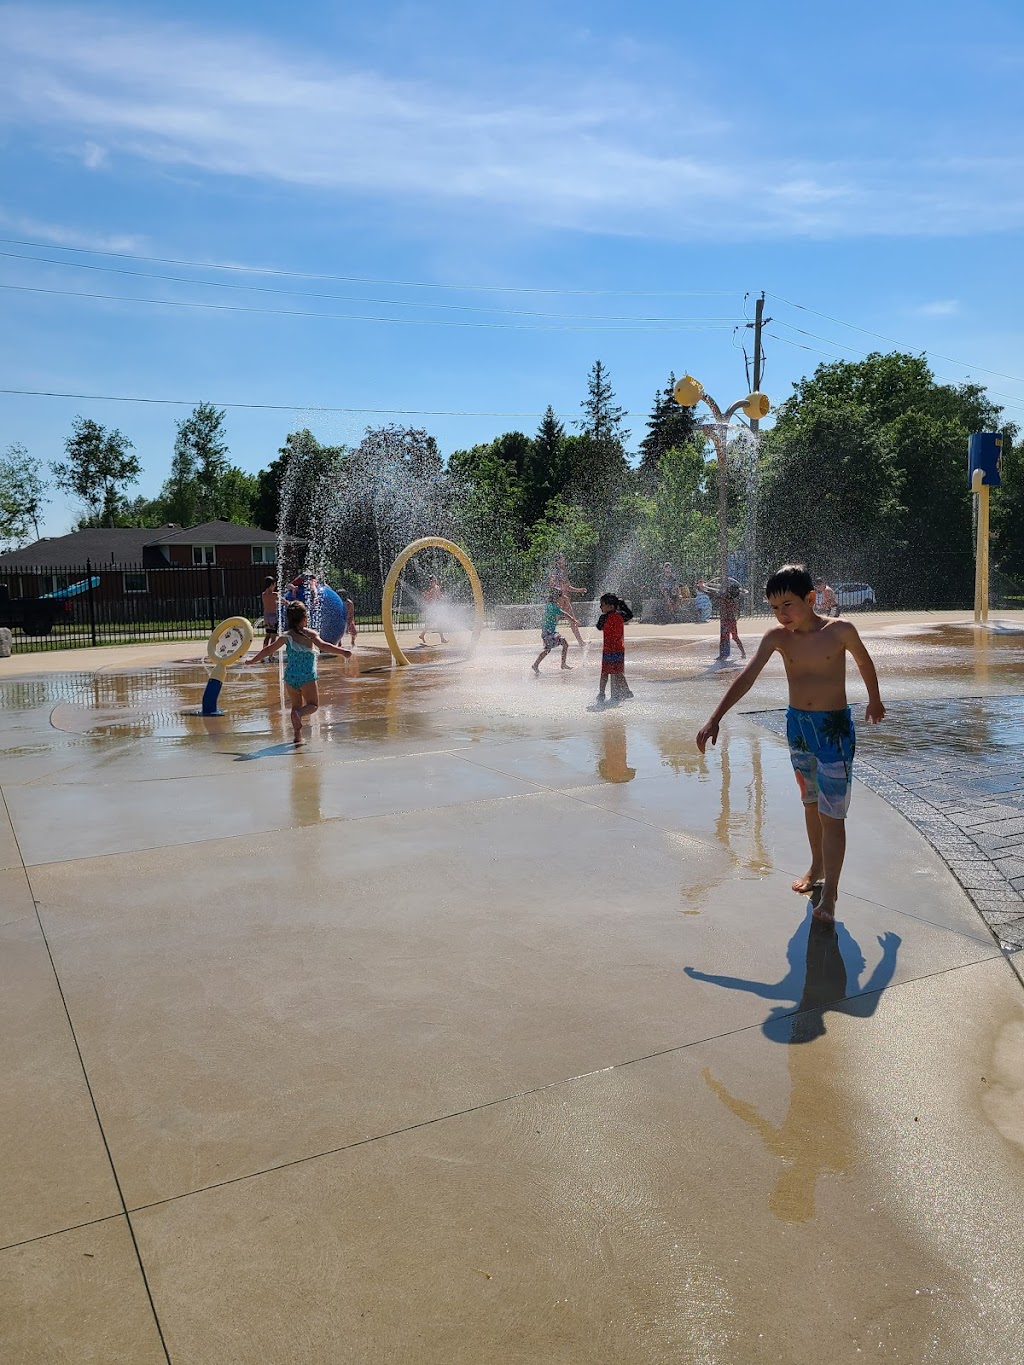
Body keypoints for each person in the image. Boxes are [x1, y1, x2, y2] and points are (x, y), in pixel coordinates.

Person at [695, 563, 886, 924]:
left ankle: (830, 894)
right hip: (798, 729)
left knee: (833, 814)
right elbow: (746, 677)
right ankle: (816, 868)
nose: (781, 614)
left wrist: (875, 700)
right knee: (811, 804)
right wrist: (715, 717)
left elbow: (865, 663)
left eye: (788, 605)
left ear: (810, 598)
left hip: (833, 731)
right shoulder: (777, 638)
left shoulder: (840, 630)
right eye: (774, 608)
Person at [247, 599, 352, 743]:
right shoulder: (310, 634)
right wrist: (343, 652)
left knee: (295, 705)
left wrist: (253, 660)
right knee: (313, 705)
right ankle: (299, 714)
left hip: (290, 676)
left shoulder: (286, 636)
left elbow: (269, 649)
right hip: (306, 676)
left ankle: (297, 736)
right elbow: (325, 646)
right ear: (304, 618)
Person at [592, 593, 634, 707]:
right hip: (619, 649)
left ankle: (601, 693)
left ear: (610, 606)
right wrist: (622, 604)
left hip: (609, 650)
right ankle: (627, 691)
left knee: (605, 673)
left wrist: (619, 604)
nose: (601, 607)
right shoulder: (620, 615)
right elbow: (630, 615)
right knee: (618, 672)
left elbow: (598, 627)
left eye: (602, 605)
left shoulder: (604, 617)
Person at [532, 591, 576, 673]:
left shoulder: (549, 605)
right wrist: (574, 620)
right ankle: (536, 665)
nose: (562, 600)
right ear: (557, 598)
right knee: (557, 646)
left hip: (548, 632)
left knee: (554, 648)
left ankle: (536, 665)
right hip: (548, 633)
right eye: (561, 598)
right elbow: (564, 613)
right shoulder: (553, 607)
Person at [549, 554, 586, 648]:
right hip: (559, 599)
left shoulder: (563, 572)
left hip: (565, 599)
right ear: (557, 562)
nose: (564, 561)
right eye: (562, 560)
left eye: (563, 560)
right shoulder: (554, 572)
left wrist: (579, 590)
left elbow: (568, 587)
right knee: (554, 621)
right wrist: (561, 594)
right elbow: (552, 585)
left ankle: (581, 642)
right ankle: (547, 641)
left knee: (572, 621)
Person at [707, 580, 745, 663]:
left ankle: (725, 655)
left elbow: (715, 596)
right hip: (729, 622)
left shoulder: (726, 600)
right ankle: (742, 653)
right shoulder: (730, 600)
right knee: (731, 638)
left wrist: (707, 589)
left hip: (728, 622)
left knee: (728, 638)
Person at [418, 575, 448, 646]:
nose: (432, 582)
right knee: (437, 622)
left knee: (433, 622)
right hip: (431, 608)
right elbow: (425, 597)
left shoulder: (436, 588)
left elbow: (439, 596)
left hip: (434, 608)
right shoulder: (429, 589)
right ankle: (442, 639)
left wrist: (444, 598)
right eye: (431, 581)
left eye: (434, 581)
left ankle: (422, 635)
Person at [260, 577, 279, 653]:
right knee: (273, 637)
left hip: (266, 617)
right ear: (271, 584)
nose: (275, 586)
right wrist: (287, 602)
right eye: (274, 585)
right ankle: (271, 655)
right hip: (273, 617)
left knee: (267, 636)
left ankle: (263, 654)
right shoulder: (275, 595)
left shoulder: (263, 594)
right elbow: (281, 600)